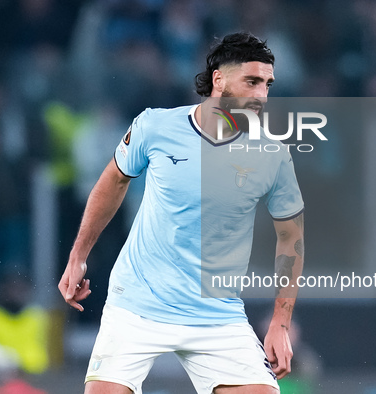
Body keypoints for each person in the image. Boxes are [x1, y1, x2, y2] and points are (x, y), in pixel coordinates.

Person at [59, 32, 305, 394]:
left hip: (216, 314)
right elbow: (113, 181)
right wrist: (78, 255)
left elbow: (291, 238)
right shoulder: (155, 126)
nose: (261, 94)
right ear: (219, 79)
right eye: (251, 81)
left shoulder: (272, 154)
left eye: (267, 84)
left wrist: (281, 324)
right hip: (138, 302)